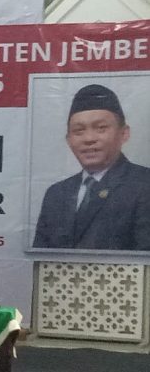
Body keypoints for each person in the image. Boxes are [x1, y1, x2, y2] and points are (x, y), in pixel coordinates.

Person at [33, 83, 150, 250]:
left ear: (124, 133)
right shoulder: (57, 194)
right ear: (68, 140)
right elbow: (41, 259)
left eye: (101, 128)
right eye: (79, 131)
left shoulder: (144, 185)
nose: (89, 139)